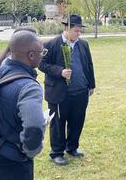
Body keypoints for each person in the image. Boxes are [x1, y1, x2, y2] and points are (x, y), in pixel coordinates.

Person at [0, 31, 46, 180]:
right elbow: (34, 127)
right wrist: (30, 151)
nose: (42, 55)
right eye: (42, 52)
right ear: (31, 55)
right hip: (11, 163)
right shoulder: (29, 87)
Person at [38, 14, 95, 166]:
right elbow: (41, 64)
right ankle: (57, 152)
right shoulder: (50, 44)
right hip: (59, 93)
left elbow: (89, 65)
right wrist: (59, 71)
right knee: (58, 123)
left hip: (81, 92)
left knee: (77, 121)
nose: (79, 33)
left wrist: (91, 85)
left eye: (80, 31)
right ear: (67, 29)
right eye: (76, 30)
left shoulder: (83, 44)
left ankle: (72, 147)